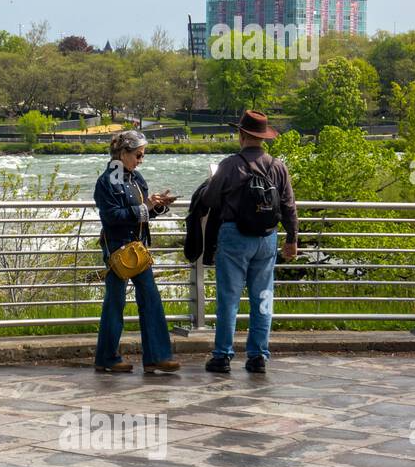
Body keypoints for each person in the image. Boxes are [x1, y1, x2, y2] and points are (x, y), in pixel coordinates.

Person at [200, 110, 299, 374]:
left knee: (229, 299)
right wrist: (292, 240)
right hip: (267, 238)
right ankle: (258, 356)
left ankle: (222, 356)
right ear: (263, 138)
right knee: (264, 297)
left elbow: (210, 200)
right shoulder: (278, 166)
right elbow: (289, 206)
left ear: (242, 135)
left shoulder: (230, 164)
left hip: (234, 236)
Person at [93, 130, 180, 374]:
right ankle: (108, 357)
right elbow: (111, 217)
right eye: (138, 155)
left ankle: (155, 357)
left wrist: (158, 207)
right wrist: (146, 207)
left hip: (138, 249)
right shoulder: (107, 180)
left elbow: (142, 212)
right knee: (115, 303)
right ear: (123, 153)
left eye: (142, 155)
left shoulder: (135, 178)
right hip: (119, 250)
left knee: (149, 300)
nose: (141, 160)